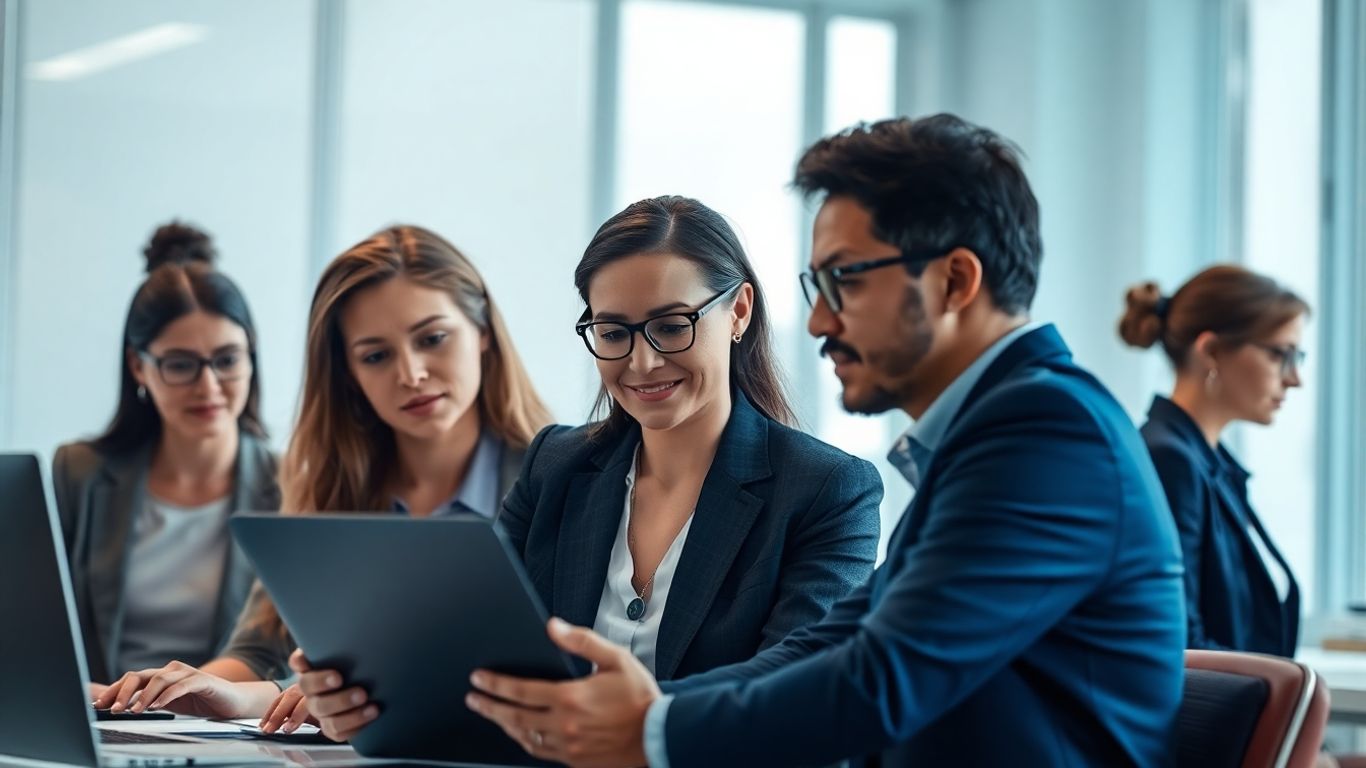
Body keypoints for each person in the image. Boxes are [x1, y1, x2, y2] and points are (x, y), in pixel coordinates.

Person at [355, 115, 1190, 767]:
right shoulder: (999, 429)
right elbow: (838, 643)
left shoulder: (1042, 434)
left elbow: (878, 682)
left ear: (955, 280)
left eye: (842, 281)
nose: (821, 320)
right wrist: (640, 717)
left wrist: (649, 735)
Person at [293, 195, 884, 745]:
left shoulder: (827, 490)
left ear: (739, 313)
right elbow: (471, 654)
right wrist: (366, 695)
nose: (642, 360)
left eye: (673, 324)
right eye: (612, 332)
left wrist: (628, 721)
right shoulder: (555, 465)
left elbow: (795, 689)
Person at [91, 224, 552, 731]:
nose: (411, 373)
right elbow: (258, 649)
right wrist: (187, 689)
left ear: (483, 331)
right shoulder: (333, 486)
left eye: (433, 338)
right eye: (376, 355)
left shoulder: (557, 478)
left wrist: (281, 696)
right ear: (348, 373)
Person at [52, 221, 276, 689]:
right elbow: (39, 624)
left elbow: (278, 652)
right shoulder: (78, 473)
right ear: (139, 366)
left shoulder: (293, 481)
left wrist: (174, 696)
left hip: (232, 736)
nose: (209, 386)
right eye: (180, 365)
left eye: (228, 360)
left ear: (252, 358)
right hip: (100, 724)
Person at [1120, 266, 1309, 656]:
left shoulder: (1207, 462)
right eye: (1280, 354)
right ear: (1211, 350)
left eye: (1297, 357)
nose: (1295, 379)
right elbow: (1181, 644)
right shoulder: (1170, 460)